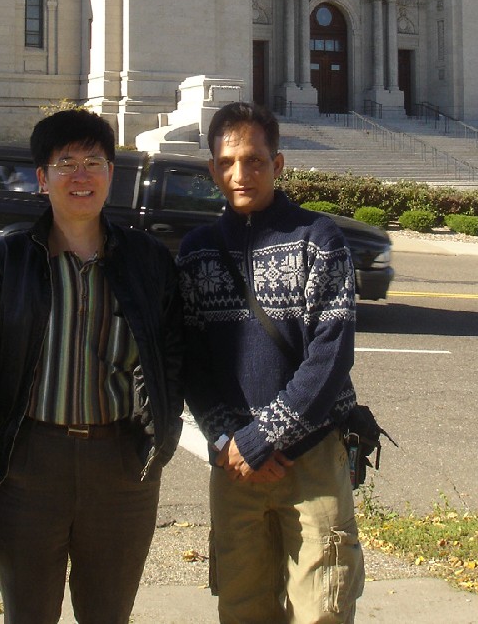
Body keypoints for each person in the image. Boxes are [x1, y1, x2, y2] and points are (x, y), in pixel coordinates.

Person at [0, 109, 183, 624]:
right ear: (42, 178)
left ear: (111, 173)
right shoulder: (5, 261)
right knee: (28, 613)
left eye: (94, 162)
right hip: (30, 463)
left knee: (108, 613)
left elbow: (169, 358)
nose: (81, 176)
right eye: (66, 163)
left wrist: (160, 441)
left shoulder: (147, 261)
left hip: (121, 466)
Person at [177, 102, 364, 623]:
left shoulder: (318, 239)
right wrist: (227, 439)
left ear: (277, 164)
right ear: (212, 168)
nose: (241, 174)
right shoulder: (196, 251)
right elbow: (191, 360)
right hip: (235, 466)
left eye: (254, 161)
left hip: (311, 459)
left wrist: (264, 439)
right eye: (227, 162)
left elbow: (331, 354)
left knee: (322, 610)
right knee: (243, 608)